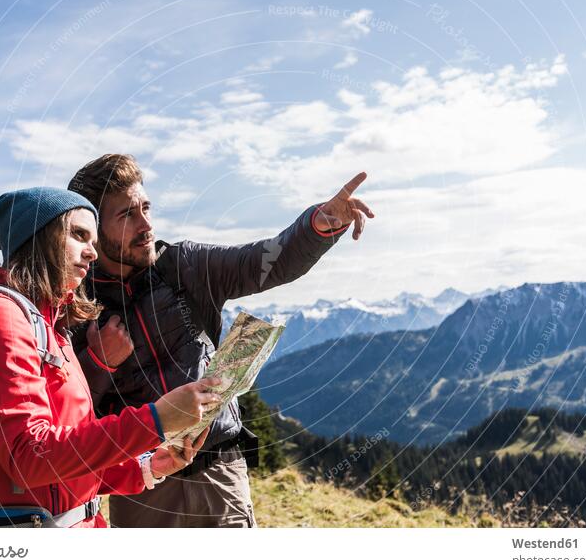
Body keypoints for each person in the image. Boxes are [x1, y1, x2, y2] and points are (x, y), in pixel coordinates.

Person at [69, 155, 374, 527]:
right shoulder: (77, 305)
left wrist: (319, 225)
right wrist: (98, 363)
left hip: (219, 472)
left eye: (146, 208)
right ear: (94, 229)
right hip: (142, 485)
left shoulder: (186, 265)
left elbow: (268, 261)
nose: (146, 225)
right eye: (126, 215)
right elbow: (70, 412)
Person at [0, 187, 220, 528]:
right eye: (78, 235)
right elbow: (30, 456)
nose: (91, 253)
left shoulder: (51, 327)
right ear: (38, 237)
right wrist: (156, 420)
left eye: (94, 242)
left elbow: (68, 456)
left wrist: (147, 466)